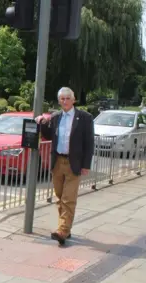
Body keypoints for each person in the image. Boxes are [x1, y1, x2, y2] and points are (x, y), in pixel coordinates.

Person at [35, 87, 94, 245]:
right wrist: (42, 122)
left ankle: (62, 230)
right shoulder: (55, 117)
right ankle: (65, 229)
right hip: (57, 163)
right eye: (62, 99)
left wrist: (86, 165)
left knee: (68, 199)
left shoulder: (85, 117)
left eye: (68, 98)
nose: (65, 101)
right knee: (60, 198)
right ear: (59, 100)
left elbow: (89, 143)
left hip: (74, 163)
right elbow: (47, 135)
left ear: (74, 100)